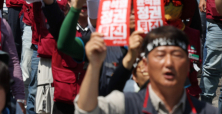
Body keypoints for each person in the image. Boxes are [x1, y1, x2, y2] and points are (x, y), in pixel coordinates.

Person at [75, 25, 216, 114]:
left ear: (187, 65)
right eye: (160, 55)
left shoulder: (207, 111)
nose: (168, 63)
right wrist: (94, 65)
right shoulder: (124, 105)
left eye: (177, 55)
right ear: (145, 64)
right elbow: (85, 110)